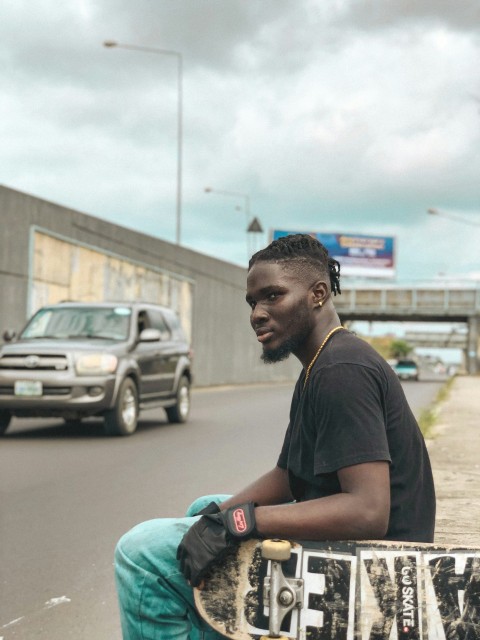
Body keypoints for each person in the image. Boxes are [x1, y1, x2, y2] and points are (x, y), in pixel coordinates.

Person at [114, 233, 436, 639]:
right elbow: (288, 475)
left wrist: (241, 522)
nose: (257, 314)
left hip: (374, 567)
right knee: (203, 510)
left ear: (318, 294)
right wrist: (217, 519)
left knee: (140, 551)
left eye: (272, 296)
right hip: (353, 550)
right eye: (253, 302)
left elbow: (368, 511)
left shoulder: (342, 370)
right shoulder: (319, 364)